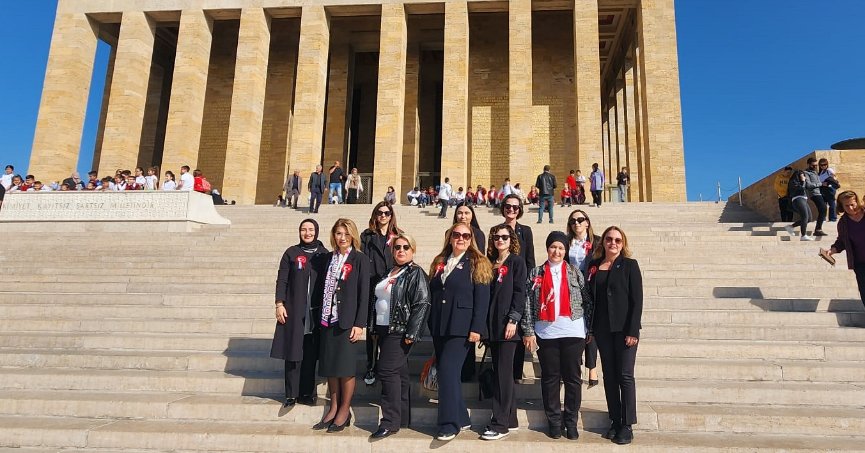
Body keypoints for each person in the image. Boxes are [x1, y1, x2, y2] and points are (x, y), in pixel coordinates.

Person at [522, 231, 592, 440]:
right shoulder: (536, 272)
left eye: (561, 248)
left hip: (573, 330)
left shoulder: (573, 271)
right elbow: (527, 302)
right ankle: (553, 421)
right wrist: (528, 330)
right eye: (553, 247)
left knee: (572, 378)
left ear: (566, 250)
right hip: (546, 332)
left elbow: (587, 299)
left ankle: (570, 422)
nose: (557, 251)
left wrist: (587, 326)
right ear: (547, 249)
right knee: (550, 378)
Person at [427, 223, 492, 441]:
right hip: (439, 325)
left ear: (471, 238)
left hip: (461, 327)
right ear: (450, 237)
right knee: (450, 373)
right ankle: (462, 418)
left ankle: (448, 423)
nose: (461, 238)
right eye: (457, 234)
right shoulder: (440, 261)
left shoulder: (477, 262)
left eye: (465, 235)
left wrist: (477, 328)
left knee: (447, 371)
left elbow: (482, 300)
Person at [369, 233, 431, 440]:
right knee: (399, 375)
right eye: (397, 247)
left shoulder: (416, 273)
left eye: (405, 247)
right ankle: (402, 417)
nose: (401, 250)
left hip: (400, 330)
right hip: (384, 330)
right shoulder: (389, 272)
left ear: (412, 250)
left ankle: (389, 421)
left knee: (386, 372)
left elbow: (422, 303)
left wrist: (412, 332)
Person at [585, 226, 643, 445]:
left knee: (625, 375)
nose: (613, 243)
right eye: (609, 239)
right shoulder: (594, 266)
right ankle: (615, 420)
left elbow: (637, 300)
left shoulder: (630, 265)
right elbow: (590, 299)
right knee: (609, 376)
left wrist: (633, 330)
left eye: (618, 240)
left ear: (623, 243)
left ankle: (627, 424)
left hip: (624, 330)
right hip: (602, 329)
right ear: (604, 242)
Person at [314, 218, 370, 433]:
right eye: (338, 233)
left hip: (347, 321)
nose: (342, 238)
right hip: (327, 319)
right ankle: (333, 406)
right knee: (330, 366)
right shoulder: (329, 258)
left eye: (346, 234)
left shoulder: (359, 259)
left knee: (345, 369)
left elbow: (364, 294)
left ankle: (345, 410)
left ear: (353, 236)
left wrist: (359, 323)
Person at [271, 219, 329, 408]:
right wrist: (279, 303)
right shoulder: (291, 253)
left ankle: (307, 393)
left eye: (311, 229)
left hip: (315, 314)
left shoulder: (324, 255)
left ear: (317, 231)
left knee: (310, 355)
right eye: (304, 229)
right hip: (294, 311)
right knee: (293, 353)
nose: (307, 233)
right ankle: (291, 394)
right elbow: (282, 280)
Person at [480, 224, 527, 440]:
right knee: (503, 373)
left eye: (504, 237)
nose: (500, 240)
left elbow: (520, 292)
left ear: (511, 240)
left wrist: (513, 320)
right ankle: (511, 418)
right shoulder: (490, 263)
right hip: (493, 327)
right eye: (496, 237)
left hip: (508, 327)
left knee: (502, 374)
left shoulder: (516, 261)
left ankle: (499, 424)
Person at [360, 202, 403, 386]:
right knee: (372, 330)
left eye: (387, 213)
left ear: (391, 215)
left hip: (391, 288)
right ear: (375, 215)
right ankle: (371, 365)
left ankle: (386, 366)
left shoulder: (398, 235)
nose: (383, 216)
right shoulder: (367, 235)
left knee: (388, 329)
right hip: (373, 286)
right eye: (380, 213)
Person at [499, 194, 535, 381]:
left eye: (515, 207)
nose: (511, 210)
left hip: (520, 283)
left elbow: (530, 259)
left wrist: (529, 284)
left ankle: (516, 371)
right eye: (508, 206)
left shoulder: (525, 231)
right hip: (502, 283)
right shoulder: (496, 230)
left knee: (519, 326)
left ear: (519, 210)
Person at [565, 209, 601, 388]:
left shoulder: (598, 241)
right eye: (573, 221)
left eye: (580, 220)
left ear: (587, 222)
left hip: (591, 288)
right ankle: (576, 363)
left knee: (591, 327)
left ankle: (592, 368)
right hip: (572, 291)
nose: (577, 223)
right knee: (578, 327)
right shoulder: (566, 242)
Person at [452, 201, 487, 381]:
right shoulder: (451, 232)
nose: (463, 216)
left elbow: (478, 256)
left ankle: (467, 371)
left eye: (466, 213)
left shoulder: (478, 234)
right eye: (460, 213)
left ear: (472, 215)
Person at [825, 191, 865, 308]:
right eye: (846, 206)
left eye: (853, 204)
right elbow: (842, 241)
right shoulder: (843, 223)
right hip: (860, 263)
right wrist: (832, 250)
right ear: (841, 206)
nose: (851, 208)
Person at [785, 167, 816, 241]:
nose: (804, 177)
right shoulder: (793, 182)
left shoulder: (802, 182)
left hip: (803, 199)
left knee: (809, 219)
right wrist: (802, 181)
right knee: (804, 216)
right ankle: (803, 235)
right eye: (802, 175)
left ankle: (791, 227)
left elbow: (808, 186)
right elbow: (800, 189)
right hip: (798, 199)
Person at [803, 157, 827, 236]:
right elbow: (808, 185)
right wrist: (820, 184)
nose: (815, 167)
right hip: (814, 194)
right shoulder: (806, 173)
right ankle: (818, 229)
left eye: (816, 165)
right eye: (813, 165)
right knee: (823, 209)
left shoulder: (816, 172)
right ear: (809, 164)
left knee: (823, 210)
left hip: (820, 193)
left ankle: (818, 228)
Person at [818, 158, 840, 222]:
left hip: (829, 188)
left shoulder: (829, 170)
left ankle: (833, 218)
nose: (823, 166)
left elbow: (834, 177)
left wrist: (828, 183)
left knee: (831, 203)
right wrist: (822, 184)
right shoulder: (820, 172)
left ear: (827, 164)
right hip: (822, 188)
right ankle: (823, 218)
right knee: (823, 204)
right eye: (821, 165)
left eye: (825, 164)